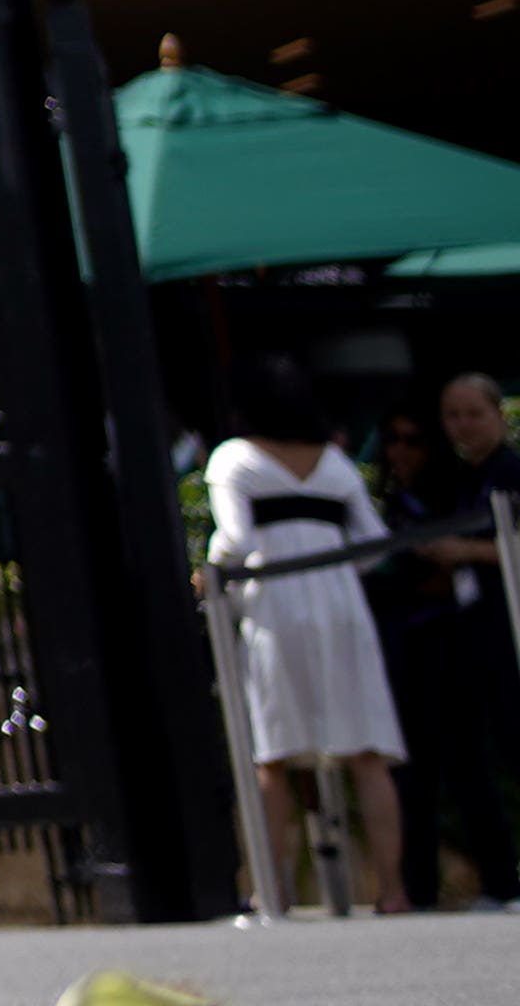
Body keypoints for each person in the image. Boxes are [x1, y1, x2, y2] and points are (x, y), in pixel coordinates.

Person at [208, 363, 410, 914]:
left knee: (274, 757)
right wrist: (336, 577)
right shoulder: (335, 462)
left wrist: (210, 575)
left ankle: (272, 893)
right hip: (342, 606)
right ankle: (393, 892)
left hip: (276, 607)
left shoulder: (234, 458)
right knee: (368, 753)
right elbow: (373, 541)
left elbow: (235, 538)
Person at [391, 372, 516, 907]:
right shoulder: (463, 478)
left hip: (508, 628)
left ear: (499, 414)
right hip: (473, 634)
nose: (463, 424)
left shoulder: (511, 470)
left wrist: (466, 553)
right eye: (453, 415)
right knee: (482, 758)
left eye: (474, 412)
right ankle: (500, 882)